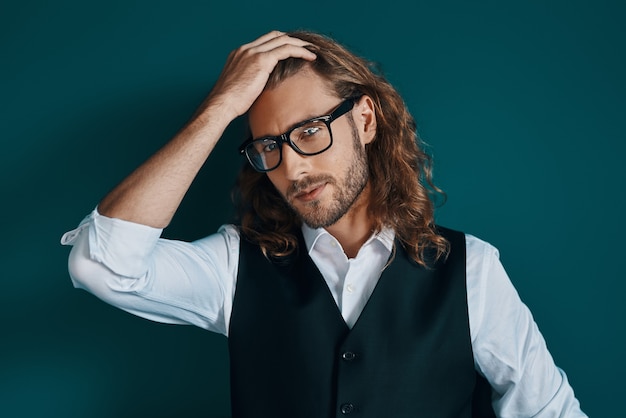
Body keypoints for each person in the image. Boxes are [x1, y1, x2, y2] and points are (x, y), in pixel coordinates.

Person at [61, 30, 587, 417]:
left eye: (310, 131)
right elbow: (99, 264)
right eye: (269, 146)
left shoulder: (471, 270)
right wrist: (220, 109)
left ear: (364, 119)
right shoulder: (234, 267)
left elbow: (550, 410)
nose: (292, 168)